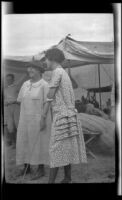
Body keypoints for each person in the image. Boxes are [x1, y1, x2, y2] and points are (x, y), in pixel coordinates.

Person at [40, 48, 87, 183]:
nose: (45, 62)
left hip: (62, 115)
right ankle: (67, 178)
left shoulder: (57, 72)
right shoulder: (63, 72)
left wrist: (43, 117)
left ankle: (51, 182)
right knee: (65, 146)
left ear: (52, 59)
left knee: (55, 149)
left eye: (46, 59)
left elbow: (50, 96)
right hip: (69, 115)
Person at [16, 62, 51, 180]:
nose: (29, 70)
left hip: (38, 119)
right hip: (25, 119)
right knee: (24, 141)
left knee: (40, 143)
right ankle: (27, 167)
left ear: (40, 70)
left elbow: (47, 103)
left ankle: (40, 169)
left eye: (32, 68)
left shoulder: (44, 85)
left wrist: (43, 118)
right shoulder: (25, 84)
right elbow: (20, 101)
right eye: (28, 68)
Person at [4, 73, 28, 146]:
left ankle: (22, 142)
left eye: (10, 79)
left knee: (18, 125)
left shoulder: (17, 86)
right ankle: (14, 143)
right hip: (8, 108)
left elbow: (22, 96)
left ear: (13, 80)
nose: (8, 81)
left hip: (16, 106)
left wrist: (15, 101)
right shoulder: (5, 89)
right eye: (7, 79)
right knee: (10, 126)